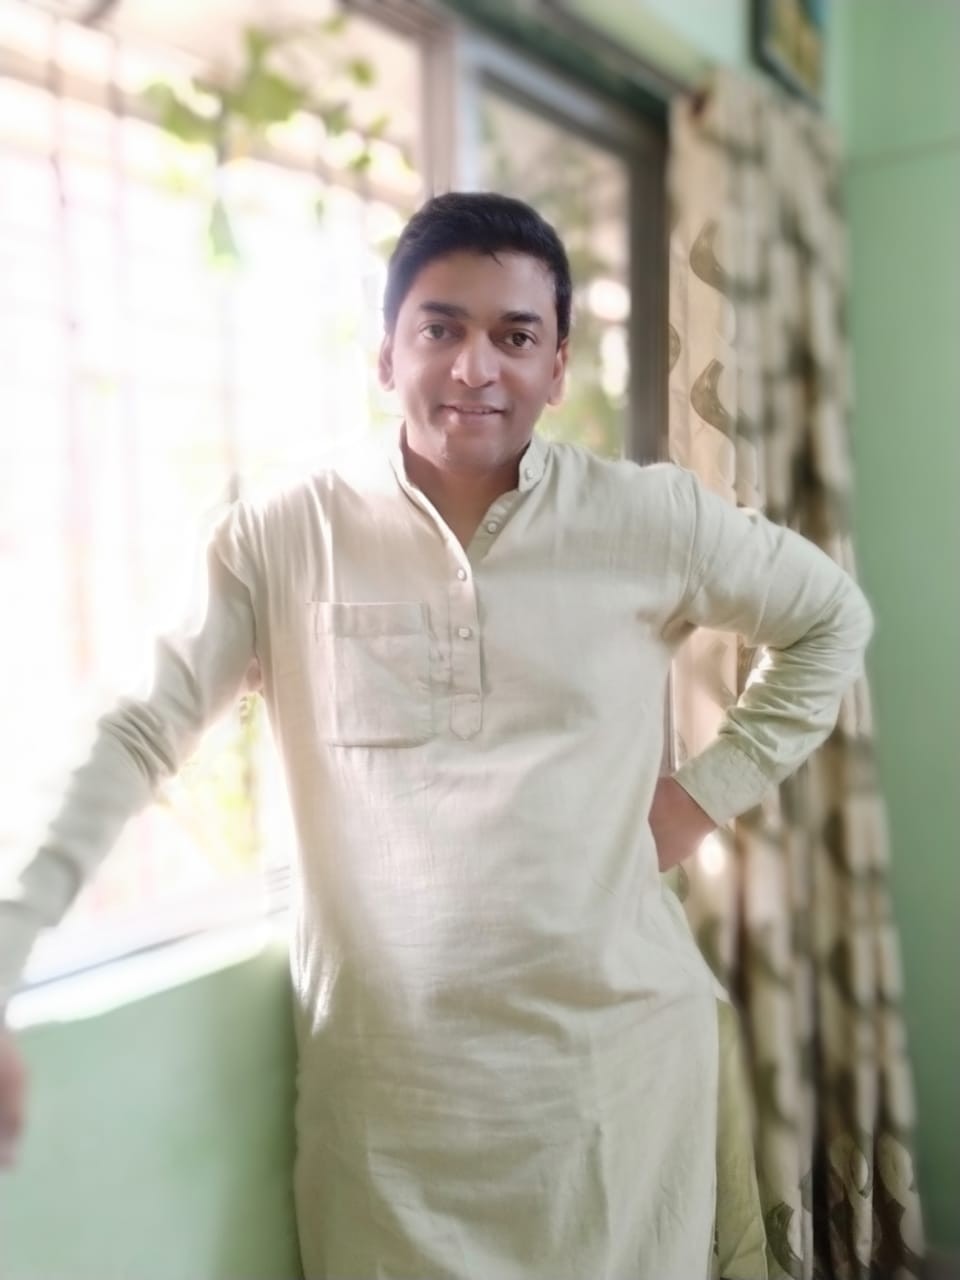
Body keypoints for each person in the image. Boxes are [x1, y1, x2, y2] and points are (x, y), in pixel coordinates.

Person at [0, 191, 872, 1278]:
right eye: (441, 328)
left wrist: (702, 796)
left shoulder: (649, 519)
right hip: (391, 1113)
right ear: (386, 353)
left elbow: (831, 617)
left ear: (557, 367)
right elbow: (137, 728)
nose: (475, 368)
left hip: (615, 1085)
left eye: (516, 336)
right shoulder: (285, 535)